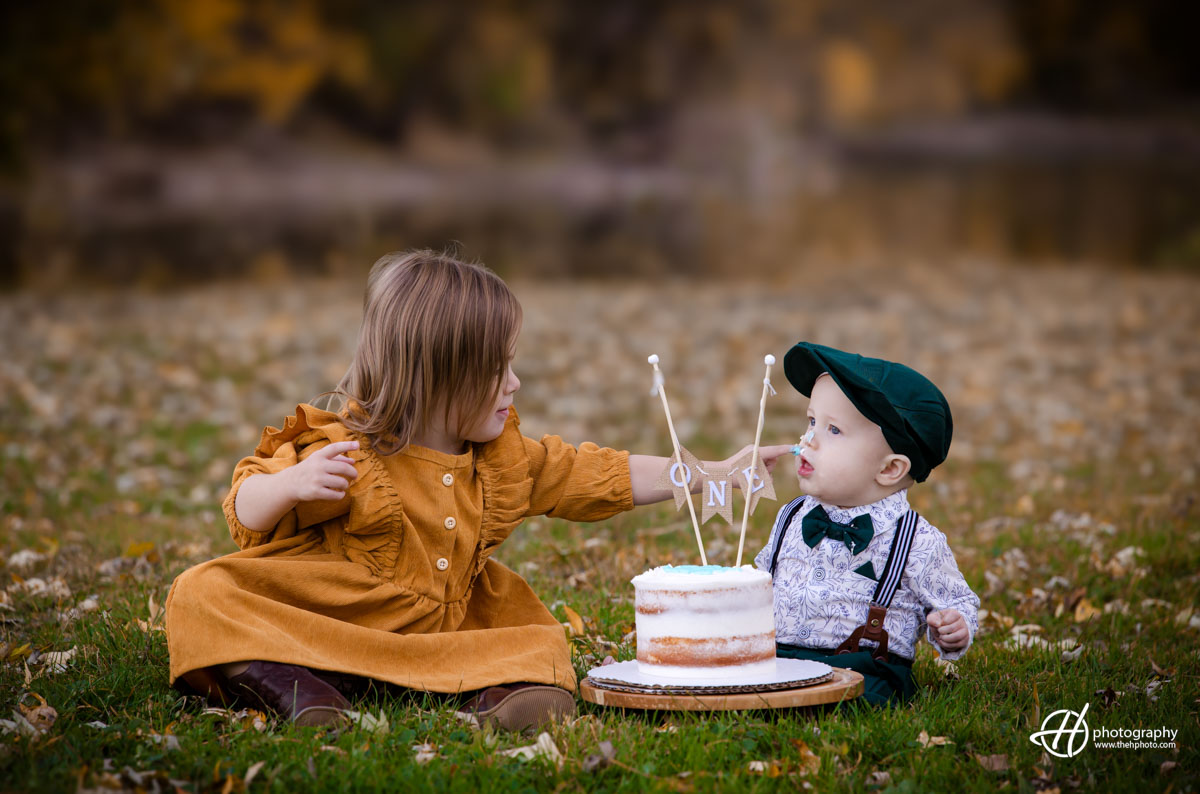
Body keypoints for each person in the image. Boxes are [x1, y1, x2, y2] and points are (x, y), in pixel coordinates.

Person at [165, 250, 791, 731]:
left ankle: (500, 694)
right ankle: (291, 685)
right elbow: (245, 505)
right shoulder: (345, 447)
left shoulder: (502, 460)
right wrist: (291, 485)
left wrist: (707, 471)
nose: (515, 383)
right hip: (336, 613)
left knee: (539, 636)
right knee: (202, 593)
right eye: (500, 369)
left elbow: (594, 474)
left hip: (451, 626)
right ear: (440, 374)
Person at [754, 342, 980, 706]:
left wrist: (955, 627)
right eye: (812, 421)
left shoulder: (917, 540)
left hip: (863, 670)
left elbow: (958, 601)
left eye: (834, 430)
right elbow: (762, 578)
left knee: (858, 700)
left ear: (890, 469)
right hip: (777, 661)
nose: (807, 440)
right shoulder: (792, 515)